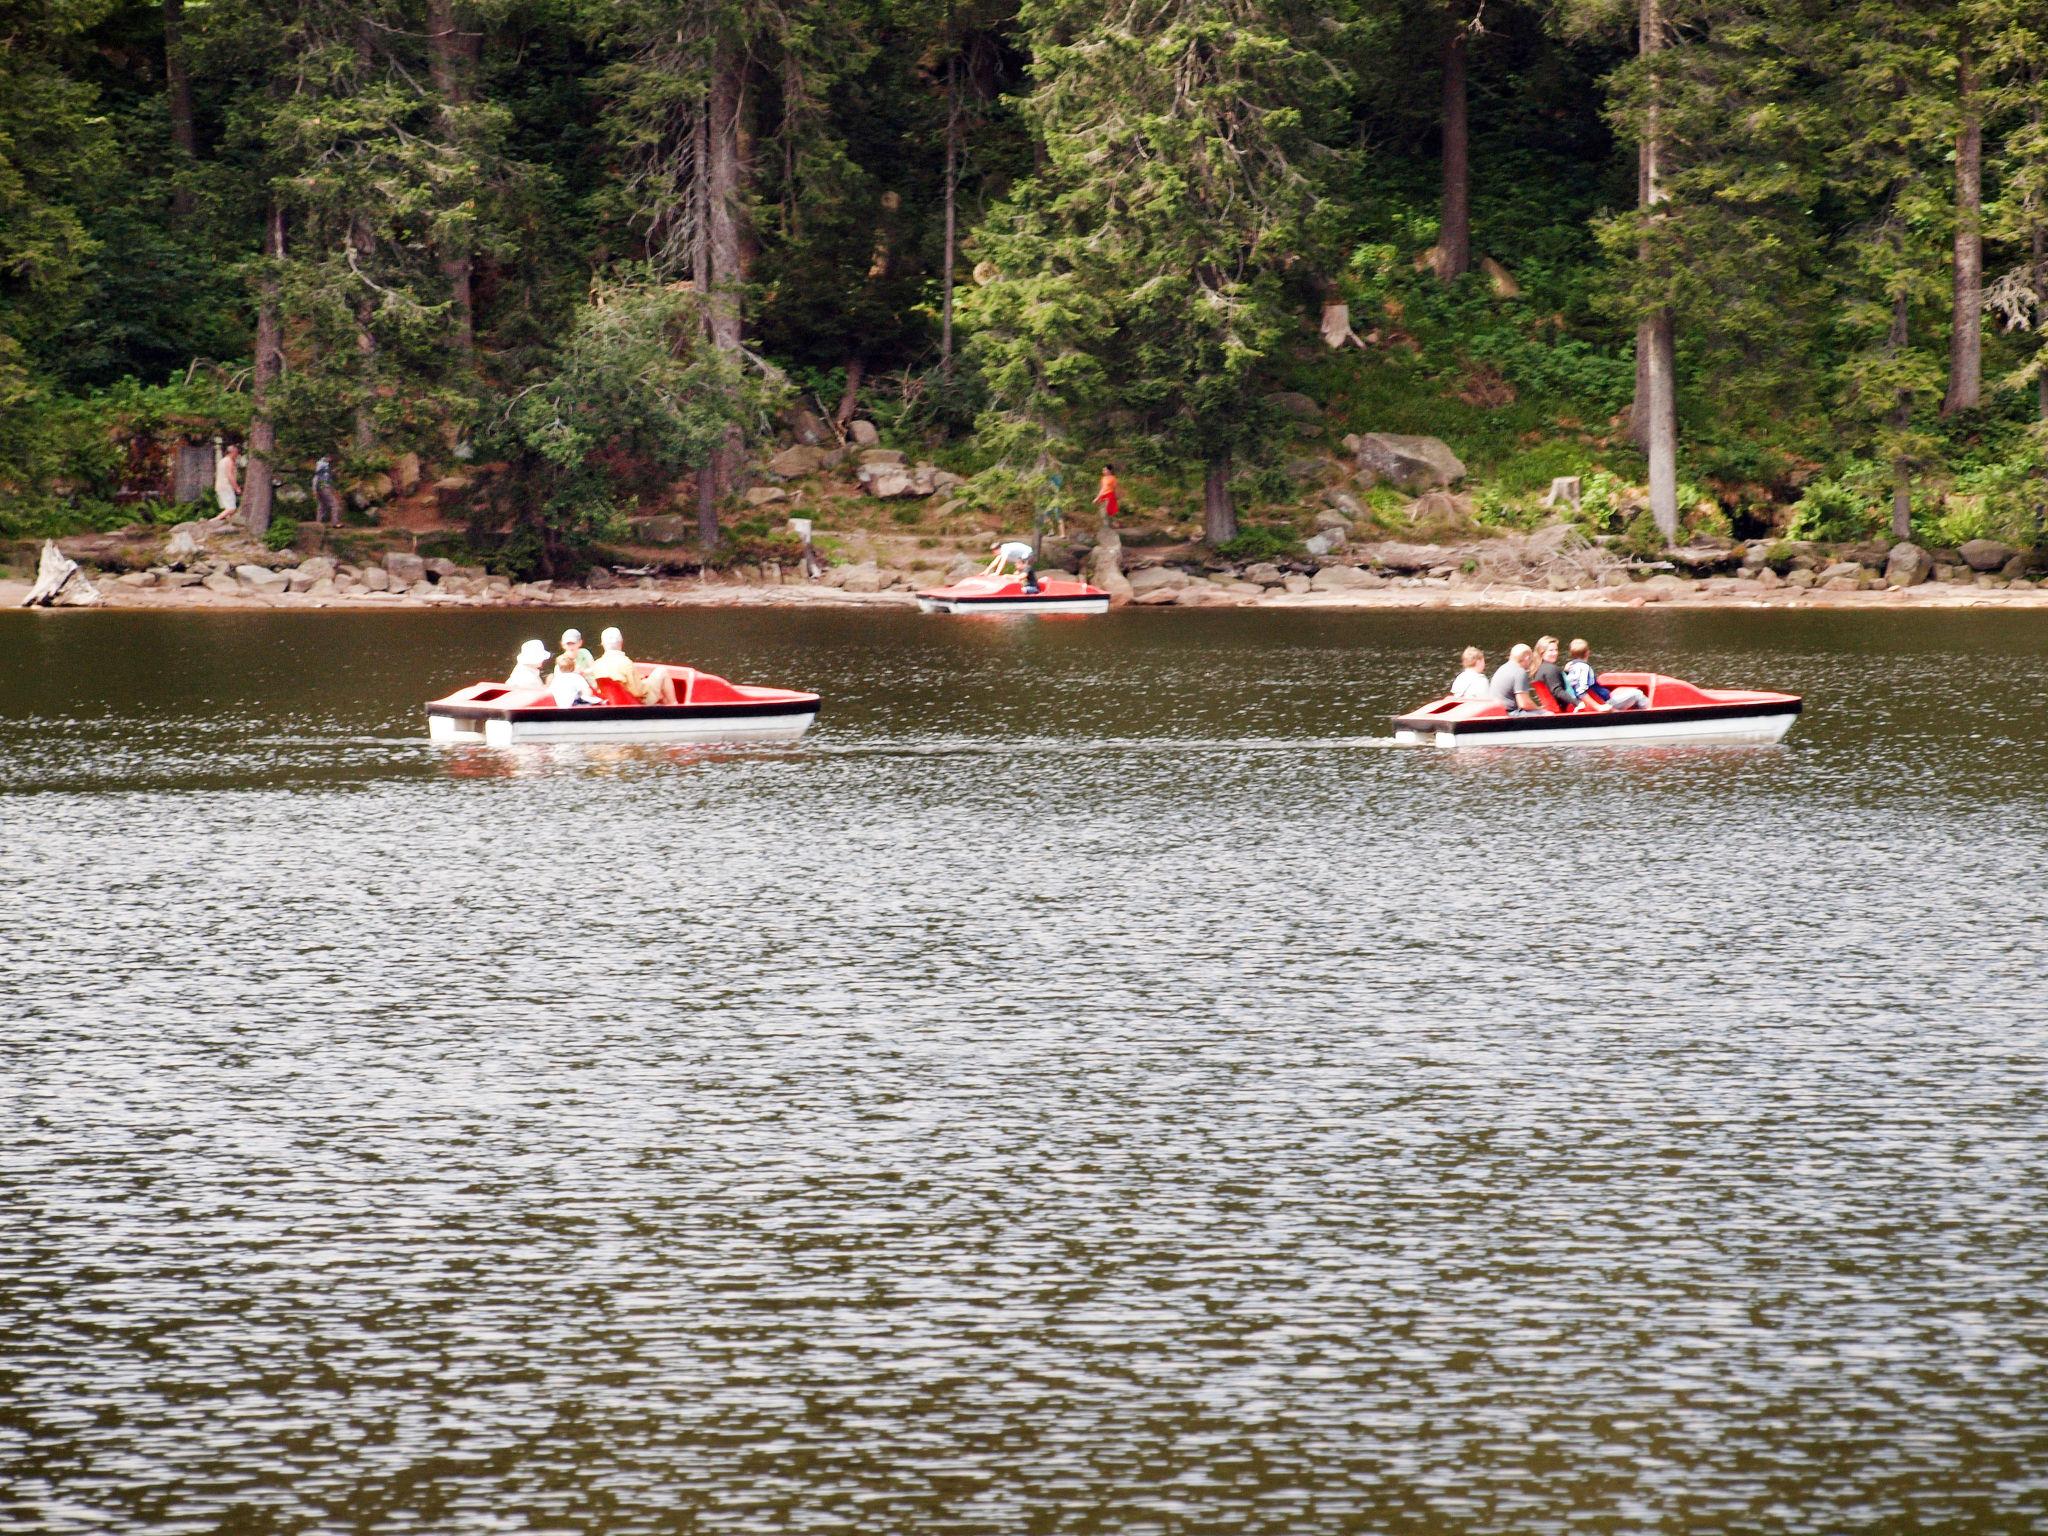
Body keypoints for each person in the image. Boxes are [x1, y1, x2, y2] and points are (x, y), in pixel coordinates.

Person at [588, 625, 678, 705]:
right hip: (635, 702)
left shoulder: (597, 665)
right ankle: (674, 706)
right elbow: (638, 692)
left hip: (611, 701)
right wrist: (644, 682)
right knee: (662, 671)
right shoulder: (626, 663)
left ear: (602, 644)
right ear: (622, 642)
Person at [1565, 638, 1648, 711]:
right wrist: (1598, 707)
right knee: (1638, 694)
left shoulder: (1571, 668)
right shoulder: (1583, 668)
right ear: (1587, 653)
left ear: (1572, 654)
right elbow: (1581, 691)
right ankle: (1650, 718)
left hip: (1601, 700)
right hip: (1606, 703)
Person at [1528, 635, 1580, 714]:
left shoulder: (1539, 669)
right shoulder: (1551, 669)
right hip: (1564, 710)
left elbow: (1552, 683)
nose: (1555, 653)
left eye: (1556, 650)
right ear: (1542, 652)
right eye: (1551, 650)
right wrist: (1578, 703)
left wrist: (1565, 672)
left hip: (1552, 709)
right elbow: (1557, 691)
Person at [1489, 643, 1541, 714]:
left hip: (1498, 711)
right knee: (1549, 714)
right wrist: (1538, 708)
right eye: (1531, 659)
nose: (1531, 661)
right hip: (1511, 713)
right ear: (1527, 658)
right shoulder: (1519, 672)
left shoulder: (1502, 668)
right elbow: (1523, 703)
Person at [211, 444, 241, 522]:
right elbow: (230, 475)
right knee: (231, 508)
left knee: (228, 508)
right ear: (231, 452)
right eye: (236, 452)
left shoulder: (222, 461)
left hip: (219, 486)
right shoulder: (229, 461)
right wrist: (236, 488)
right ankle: (214, 520)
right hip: (226, 486)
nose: (237, 454)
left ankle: (228, 522)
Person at [312, 456, 342, 526]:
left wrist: (315, 490)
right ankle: (335, 522)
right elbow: (323, 482)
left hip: (320, 487)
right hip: (323, 487)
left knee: (322, 505)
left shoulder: (322, 472)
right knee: (335, 504)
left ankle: (318, 523)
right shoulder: (323, 469)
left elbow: (317, 480)